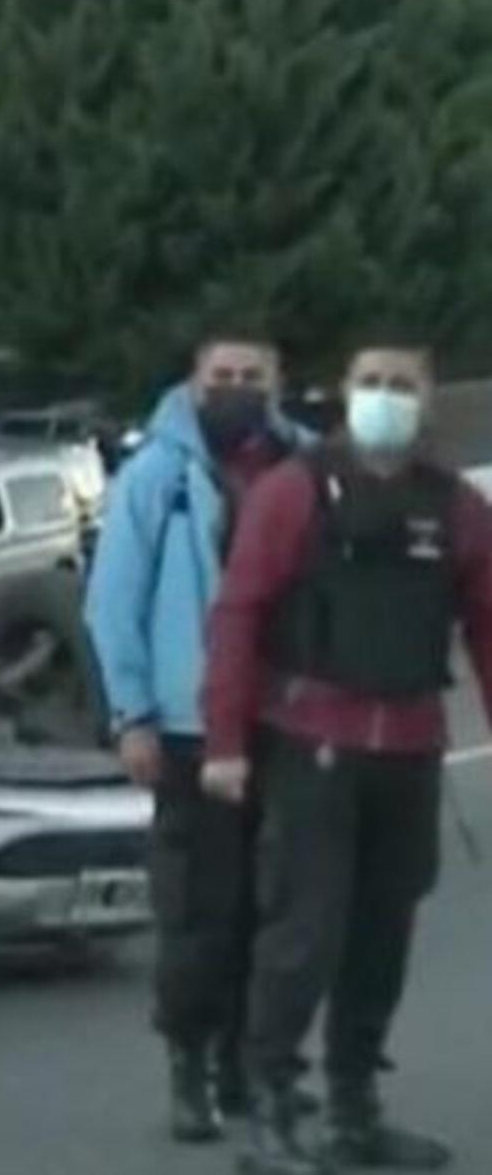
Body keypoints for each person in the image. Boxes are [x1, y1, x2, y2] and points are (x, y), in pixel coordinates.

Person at [202, 334, 492, 1174]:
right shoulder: (297, 492)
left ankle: (354, 1108)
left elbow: (486, 624)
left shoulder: (456, 508)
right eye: (371, 381)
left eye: (403, 383)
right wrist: (224, 741)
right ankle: (267, 1107)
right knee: (303, 934)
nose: (386, 395)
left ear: (429, 398)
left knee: (382, 940)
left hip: (409, 750)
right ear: (344, 390)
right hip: (314, 746)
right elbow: (239, 614)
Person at [84, 330, 311, 1145]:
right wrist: (132, 713)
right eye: (224, 376)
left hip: (289, 722)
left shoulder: (307, 470)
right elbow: (112, 602)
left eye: (255, 375)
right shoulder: (156, 477)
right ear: (194, 382)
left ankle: (250, 1068)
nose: (239, 388)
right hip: (186, 729)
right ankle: (190, 1068)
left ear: (278, 383)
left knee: (278, 910)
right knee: (197, 913)